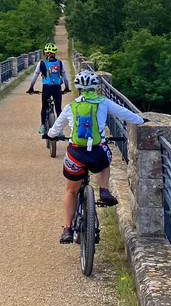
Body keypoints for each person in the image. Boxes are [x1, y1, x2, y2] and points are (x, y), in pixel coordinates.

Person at [46, 70, 146, 243]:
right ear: (96, 88)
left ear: (78, 90)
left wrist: (51, 135)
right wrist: (142, 121)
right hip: (97, 153)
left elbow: (54, 130)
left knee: (71, 190)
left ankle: (67, 230)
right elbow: (126, 114)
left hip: (76, 154)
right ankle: (104, 190)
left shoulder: (71, 107)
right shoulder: (104, 102)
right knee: (105, 159)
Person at [26, 42, 70, 134]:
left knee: (44, 106)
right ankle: (60, 130)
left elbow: (35, 77)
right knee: (58, 109)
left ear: (46, 53)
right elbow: (65, 79)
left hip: (46, 88)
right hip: (57, 88)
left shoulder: (42, 63)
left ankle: (42, 126)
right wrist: (66, 88)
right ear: (55, 53)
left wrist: (31, 88)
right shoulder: (60, 63)